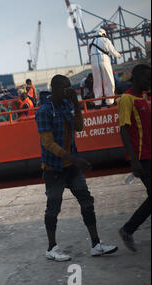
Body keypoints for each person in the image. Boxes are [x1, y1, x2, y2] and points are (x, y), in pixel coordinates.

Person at [35, 74, 118, 261]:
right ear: (55, 89)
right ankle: (51, 248)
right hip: (53, 168)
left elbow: (79, 127)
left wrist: (77, 105)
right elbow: (47, 143)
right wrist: (73, 158)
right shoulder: (44, 111)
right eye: (66, 88)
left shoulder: (67, 105)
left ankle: (96, 244)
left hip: (71, 166)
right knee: (53, 207)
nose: (70, 91)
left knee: (86, 201)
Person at [118, 64, 151, 252]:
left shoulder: (142, 97)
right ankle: (127, 229)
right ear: (137, 78)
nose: (150, 82)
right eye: (147, 78)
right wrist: (134, 161)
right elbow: (123, 129)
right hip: (142, 158)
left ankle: (128, 229)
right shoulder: (127, 99)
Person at [88, 28, 122, 107]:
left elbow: (89, 53)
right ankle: (110, 102)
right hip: (105, 61)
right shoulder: (106, 40)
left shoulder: (90, 42)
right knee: (109, 81)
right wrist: (119, 56)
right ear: (103, 34)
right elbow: (113, 51)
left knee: (97, 82)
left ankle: (97, 103)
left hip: (94, 63)